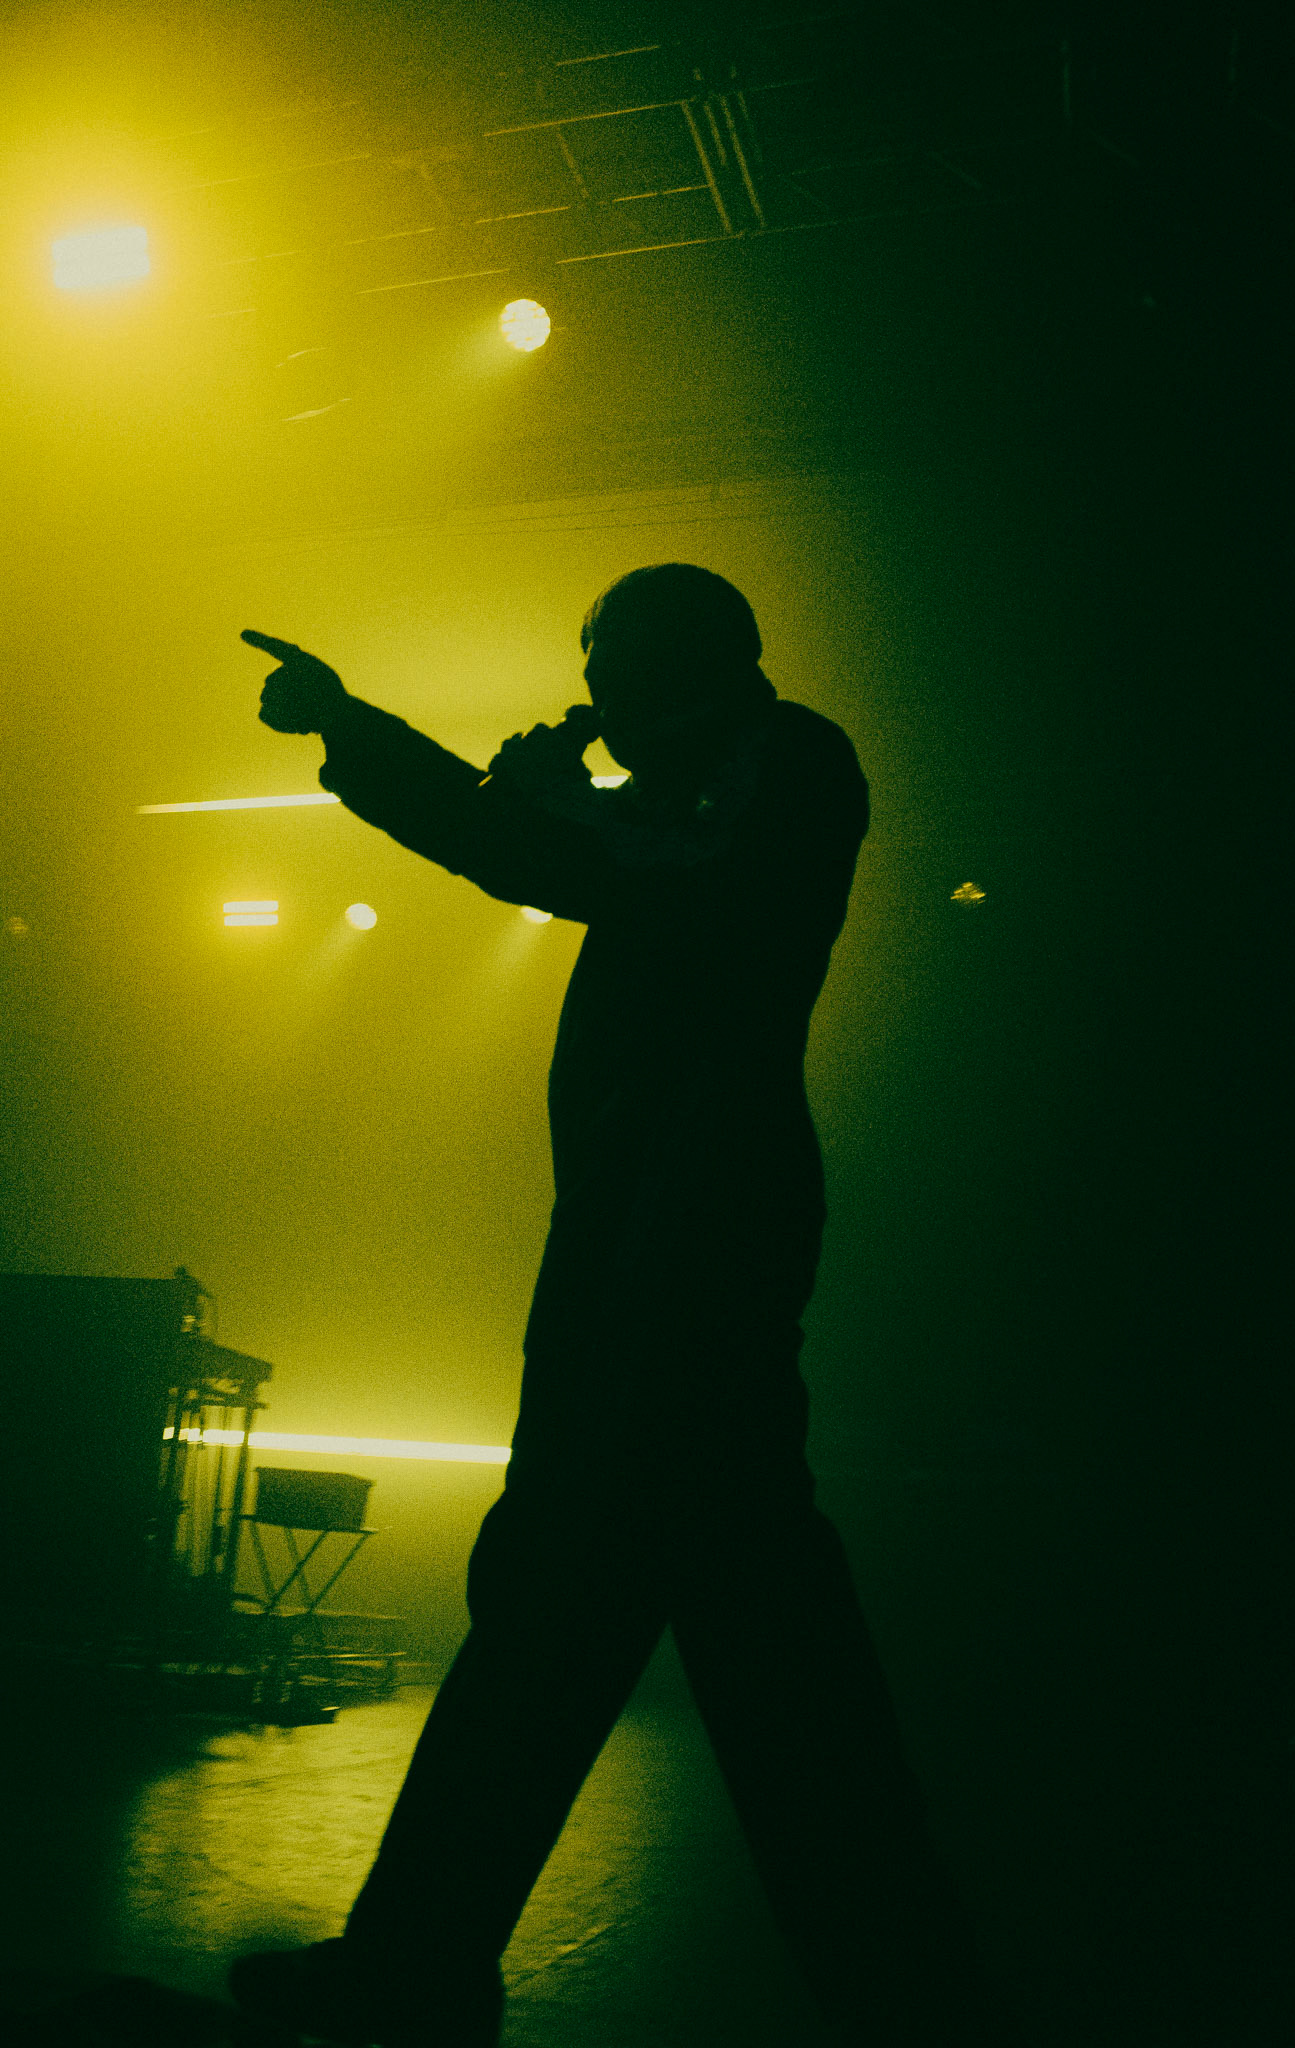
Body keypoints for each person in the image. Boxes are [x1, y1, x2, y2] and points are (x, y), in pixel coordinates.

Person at [231, 566, 989, 2048]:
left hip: (683, 1250)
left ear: (667, 663)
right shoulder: (697, 786)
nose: (592, 695)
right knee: (673, 1634)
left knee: (619, 1624)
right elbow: (556, 847)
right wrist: (387, 746)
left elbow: (629, 866)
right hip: (662, 1245)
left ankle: (427, 1968)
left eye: (606, 666)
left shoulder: (785, 761)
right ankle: (896, 1989)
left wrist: (481, 778)